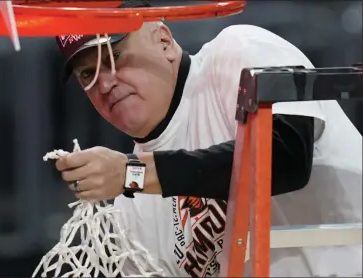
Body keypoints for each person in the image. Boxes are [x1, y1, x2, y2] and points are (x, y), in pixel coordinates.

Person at [54, 8, 362, 278]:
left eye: (114, 56)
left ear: (163, 40)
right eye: (86, 74)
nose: (104, 83)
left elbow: (286, 158)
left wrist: (131, 174)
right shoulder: (129, 212)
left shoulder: (239, 51)